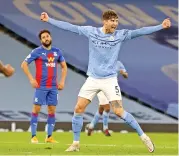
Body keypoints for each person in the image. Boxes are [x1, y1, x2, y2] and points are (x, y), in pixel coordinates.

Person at [40, 10, 171, 152]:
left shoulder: (120, 35)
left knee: (119, 111)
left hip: (109, 80)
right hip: (93, 79)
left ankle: (144, 137)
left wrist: (160, 26)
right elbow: (70, 27)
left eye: (116, 21)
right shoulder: (92, 32)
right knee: (78, 108)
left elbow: (141, 31)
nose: (115, 23)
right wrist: (49, 20)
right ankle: (76, 143)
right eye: (112, 21)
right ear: (105, 21)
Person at [21, 29, 67, 143]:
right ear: (41, 40)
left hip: (53, 87)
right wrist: (31, 79)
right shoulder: (37, 51)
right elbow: (24, 64)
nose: (46, 38)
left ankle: (49, 137)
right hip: (41, 86)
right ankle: (33, 136)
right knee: (36, 110)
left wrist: (62, 81)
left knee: (51, 111)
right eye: (43, 37)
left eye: (47, 36)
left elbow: (64, 67)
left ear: (50, 38)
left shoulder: (57, 51)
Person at [86, 61, 128, 136]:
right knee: (107, 108)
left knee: (101, 108)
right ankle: (105, 129)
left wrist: (124, 74)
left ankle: (91, 127)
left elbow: (126, 74)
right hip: (102, 87)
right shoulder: (102, 62)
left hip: (112, 88)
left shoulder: (118, 63)